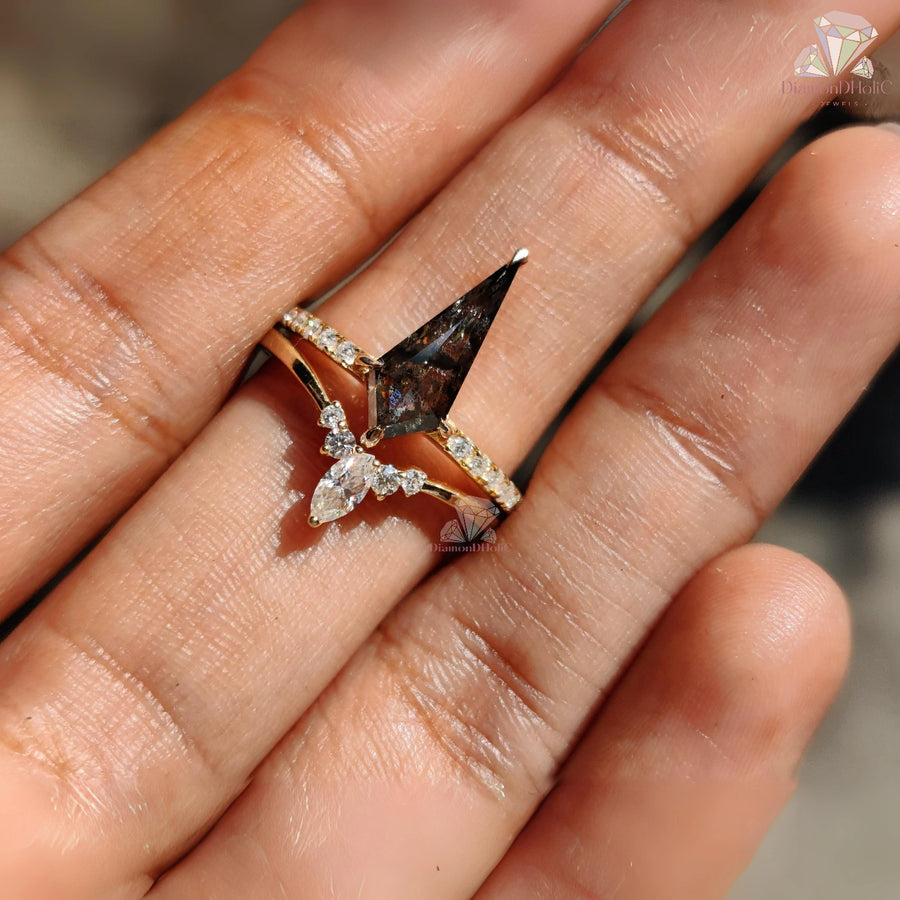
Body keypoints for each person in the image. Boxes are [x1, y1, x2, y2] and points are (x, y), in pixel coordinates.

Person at [0, 0, 898, 896]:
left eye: (339, 493)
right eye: (338, 495)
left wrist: (443, 483)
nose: (328, 501)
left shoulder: (380, 448)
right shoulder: (371, 446)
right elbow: (358, 406)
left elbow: (405, 444)